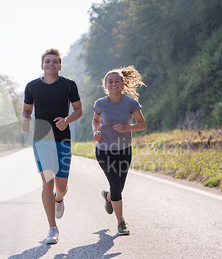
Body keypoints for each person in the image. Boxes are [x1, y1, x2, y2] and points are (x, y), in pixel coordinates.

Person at [22, 48, 82, 244]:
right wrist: (25, 120)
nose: (51, 64)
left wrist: (67, 120)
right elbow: (26, 111)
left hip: (62, 139)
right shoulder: (31, 87)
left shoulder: (69, 85)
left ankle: (59, 199)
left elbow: (78, 110)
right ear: (42, 65)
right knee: (47, 183)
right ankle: (52, 228)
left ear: (60, 65)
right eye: (47, 61)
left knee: (61, 187)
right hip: (41, 139)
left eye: (55, 61)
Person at [92, 66, 146, 235]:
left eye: (117, 81)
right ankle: (121, 222)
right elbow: (95, 120)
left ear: (123, 84)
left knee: (118, 188)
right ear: (105, 85)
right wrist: (95, 132)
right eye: (110, 81)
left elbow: (142, 124)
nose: (114, 84)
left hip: (124, 150)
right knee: (116, 184)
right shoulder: (100, 103)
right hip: (104, 150)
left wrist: (126, 127)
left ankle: (108, 196)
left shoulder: (131, 103)